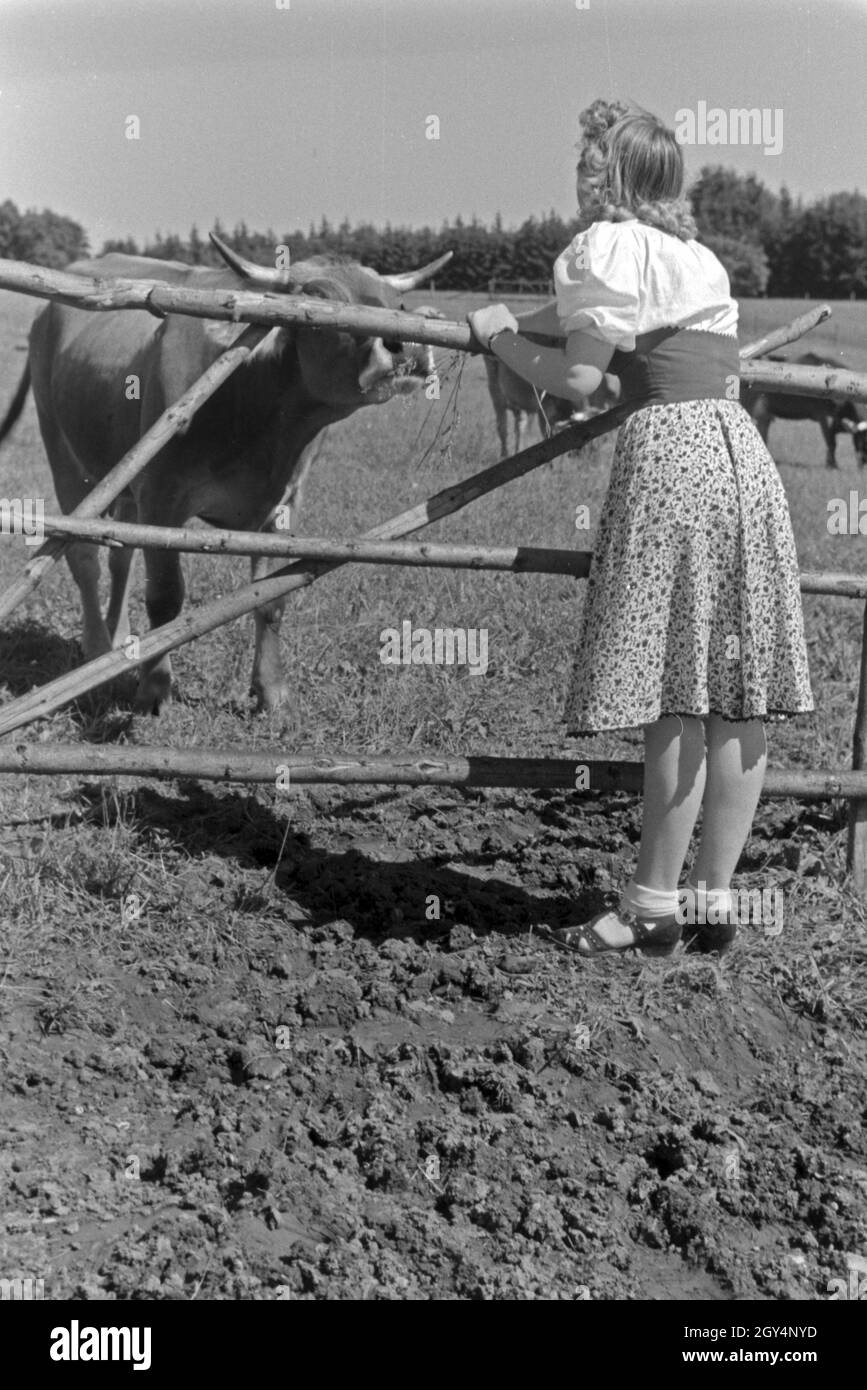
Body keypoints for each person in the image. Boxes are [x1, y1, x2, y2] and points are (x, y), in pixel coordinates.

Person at [467, 99, 814, 958]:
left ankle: (651, 907)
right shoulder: (697, 259)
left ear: (603, 175)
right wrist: (528, 318)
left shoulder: (604, 247)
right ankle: (713, 901)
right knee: (737, 701)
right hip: (739, 456)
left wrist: (501, 343)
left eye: (585, 160)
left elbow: (585, 374)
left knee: (674, 695)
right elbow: (621, 325)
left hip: (671, 461)